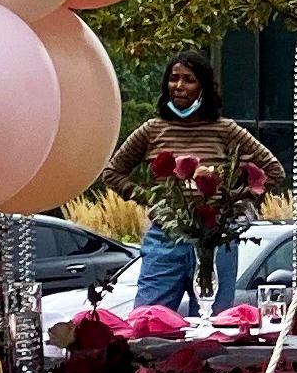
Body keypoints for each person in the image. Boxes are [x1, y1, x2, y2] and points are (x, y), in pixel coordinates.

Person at [100, 53, 282, 313]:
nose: (179, 86)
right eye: (173, 79)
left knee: (214, 321)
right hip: (166, 239)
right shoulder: (152, 129)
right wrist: (150, 198)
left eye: (188, 79)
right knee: (149, 320)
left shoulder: (226, 130)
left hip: (215, 241)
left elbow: (273, 170)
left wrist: (236, 203)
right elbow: (112, 172)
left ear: (204, 86)